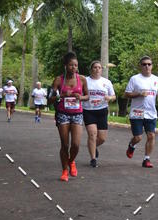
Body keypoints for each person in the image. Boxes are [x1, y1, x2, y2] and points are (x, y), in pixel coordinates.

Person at [48, 52, 88, 182]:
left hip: (77, 114)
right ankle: (64, 170)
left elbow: (87, 96)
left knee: (76, 144)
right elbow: (50, 99)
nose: (74, 68)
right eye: (71, 65)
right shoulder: (58, 80)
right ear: (65, 66)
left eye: (76, 65)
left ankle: (71, 161)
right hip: (63, 114)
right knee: (65, 145)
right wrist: (62, 96)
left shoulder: (82, 79)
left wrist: (80, 97)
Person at [124, 56, 158, 168]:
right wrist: (139, 94)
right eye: (144, 64)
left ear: (152, 66)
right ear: (140, 66)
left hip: (151, 112)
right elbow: (126, 94)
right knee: (138, 137)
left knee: (151, 136)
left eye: (149, 64)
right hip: (137, 112)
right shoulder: (135, 79)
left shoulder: (157, 79)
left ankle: (146, 159)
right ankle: (132, 145)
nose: (147, 66)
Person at [83, 60, 116, 167]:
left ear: (102, 70)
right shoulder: (85, 81)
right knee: (92, 134)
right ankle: (93, 159)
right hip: (88, 110)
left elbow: (114, 96)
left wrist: (109, 98)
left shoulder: (107, 82)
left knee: (101, 138)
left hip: (102, 110)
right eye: (95, 67)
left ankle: (93, 146)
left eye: (99, 67)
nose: (97, 69)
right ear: (91, 69)